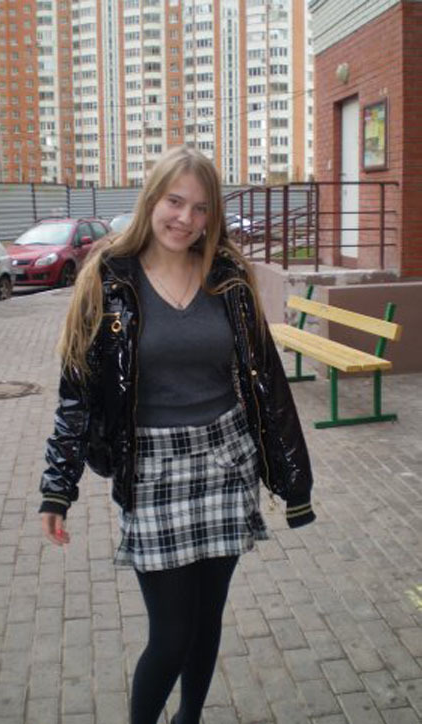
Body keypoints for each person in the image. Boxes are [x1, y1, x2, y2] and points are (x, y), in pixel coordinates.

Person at [39, 145, 315, 724]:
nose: (185, 218)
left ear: (212, 215)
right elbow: (77, 393)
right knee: (171, 634)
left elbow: (266, 378)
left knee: (207, 621)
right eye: (175, 201)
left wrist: (293, 480)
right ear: (152, 200)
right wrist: (57, 488)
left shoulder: (228, 277)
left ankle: (189, 718)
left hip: (226, 460)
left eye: (201, 207)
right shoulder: (109, 279)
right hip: (152, 469)